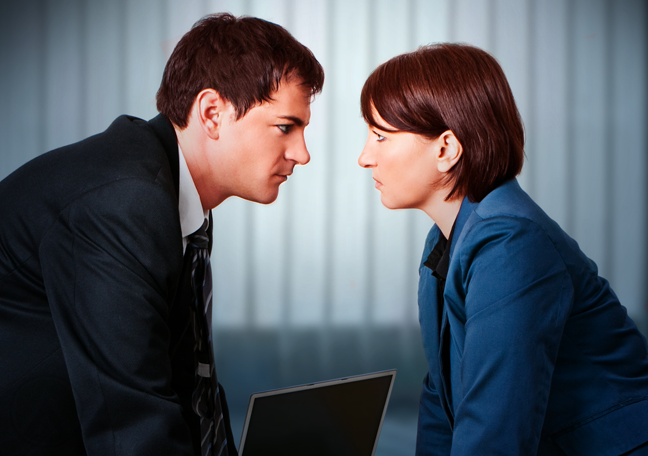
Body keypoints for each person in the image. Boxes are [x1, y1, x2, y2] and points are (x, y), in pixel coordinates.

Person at [0, 13, 323, 456]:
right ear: (212, 113)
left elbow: (186, 382)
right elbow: (133, 424)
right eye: (286, 127)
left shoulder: (171, 195)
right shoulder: (122, 202)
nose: (302, 154)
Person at [358, 43, 648, 455]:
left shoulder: (511, 243)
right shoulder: (448, 238)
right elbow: (444, 403)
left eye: (380, 136)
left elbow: (495, 435)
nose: (364, 157)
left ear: (446, 149)